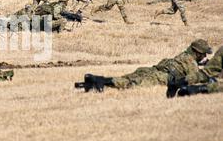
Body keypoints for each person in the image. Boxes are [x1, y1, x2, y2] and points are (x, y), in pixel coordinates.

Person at [76, 39, 212, 92]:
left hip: (150, 70)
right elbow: (196, 78)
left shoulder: (183, 55)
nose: (204, 56)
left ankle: (91, 82)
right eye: (203, 54)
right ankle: (100, 80)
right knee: (129, 84)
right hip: (159, 76)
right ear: (197, 52)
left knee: (126, 79)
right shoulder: (190, 61)